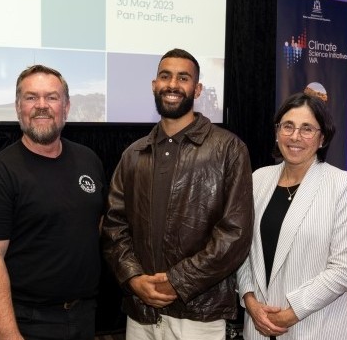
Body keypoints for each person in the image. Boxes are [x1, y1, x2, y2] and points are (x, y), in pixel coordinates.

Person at [101, 48, 254, 339]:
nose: (173, 85)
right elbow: (113, 226)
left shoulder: (229, 149)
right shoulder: (133, 154)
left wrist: (177, 282)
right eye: (165, 76)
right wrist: (134, 278)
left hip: (199, 313)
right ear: (154, 85)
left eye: (183, 78)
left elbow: (235, 234)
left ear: (196, 89)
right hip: (141, 311)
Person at [0, 65, 107, 340]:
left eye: (51, 97)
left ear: (66, 107)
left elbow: (96, 226)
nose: (41, 106)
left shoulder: (89, 160)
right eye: (31, 97)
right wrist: (8, 332)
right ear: (18, 107)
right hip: (28, 322)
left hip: (84, 316)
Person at [236, 92, 347, 339]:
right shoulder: (258, 179)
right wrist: (249, 300)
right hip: (259, 323)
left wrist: (289, 314)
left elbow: (343, 270)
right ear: (277, 132)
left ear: (322, 138)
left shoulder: (341, 185)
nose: (295, 136)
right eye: (288, 126)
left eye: (307, 129)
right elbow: (243, 251)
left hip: (317, 325)